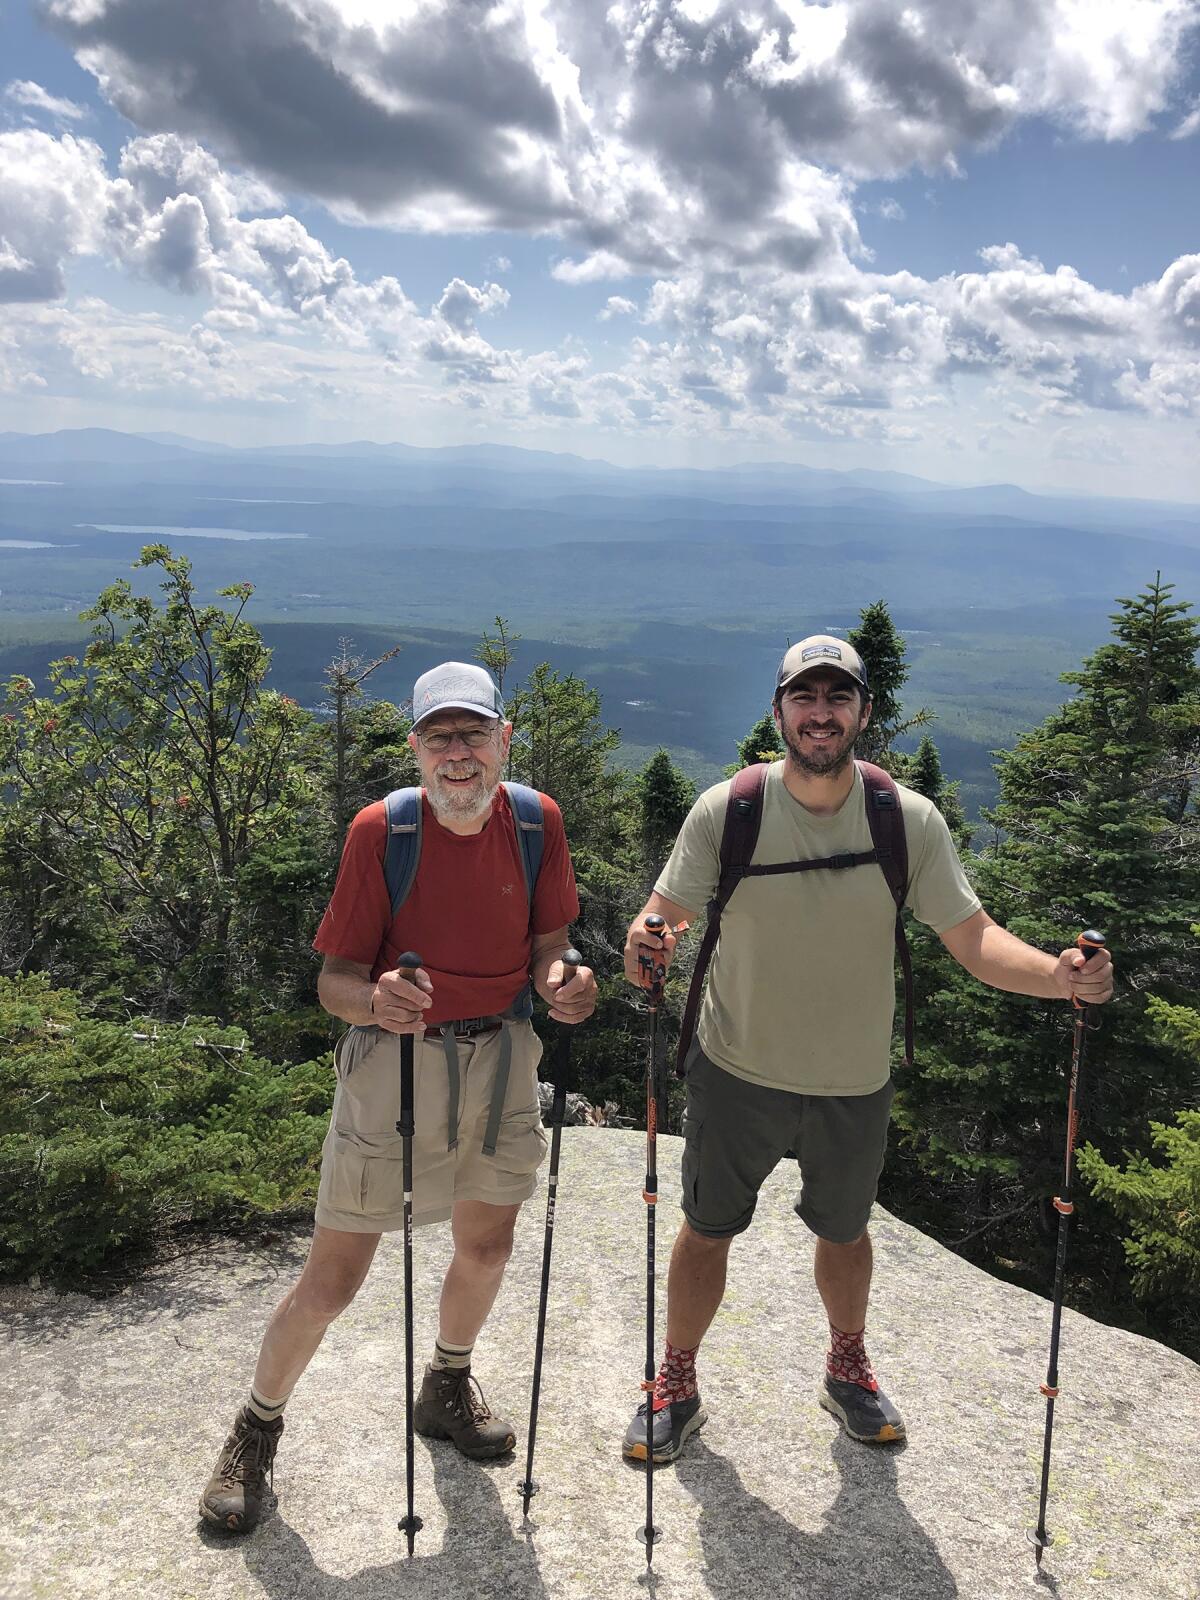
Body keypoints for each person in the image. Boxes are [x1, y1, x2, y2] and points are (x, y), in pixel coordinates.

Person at [621, 634, 1114, 1464]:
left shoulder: (905, 821)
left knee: (845, 1231)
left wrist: (1061, 977)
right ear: (779, 711)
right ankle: (676, 1377)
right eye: (805, 699)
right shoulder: (729, 810)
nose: (821, 714)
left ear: (862, 712)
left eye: (836, 698)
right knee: (706, 1229)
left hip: (853, 1077)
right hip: (734, 1064)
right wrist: (646, 943)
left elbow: (974, 938)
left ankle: (845, 1363)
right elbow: (662, 912)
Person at [200, 661, 596, 1534]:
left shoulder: (537, 822)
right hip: (395, 1060)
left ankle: (445, 1384)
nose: (460, 755)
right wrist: (375, 1000)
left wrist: (565, 980)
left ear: (504, 741)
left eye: (474, 735)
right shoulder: (383, 831)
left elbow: (551, 943)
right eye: (441, 738)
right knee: (336, 1277)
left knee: (487, 1244)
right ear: (415, 748)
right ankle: (254, 1429)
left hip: (502, 1051)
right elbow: (334, 984)